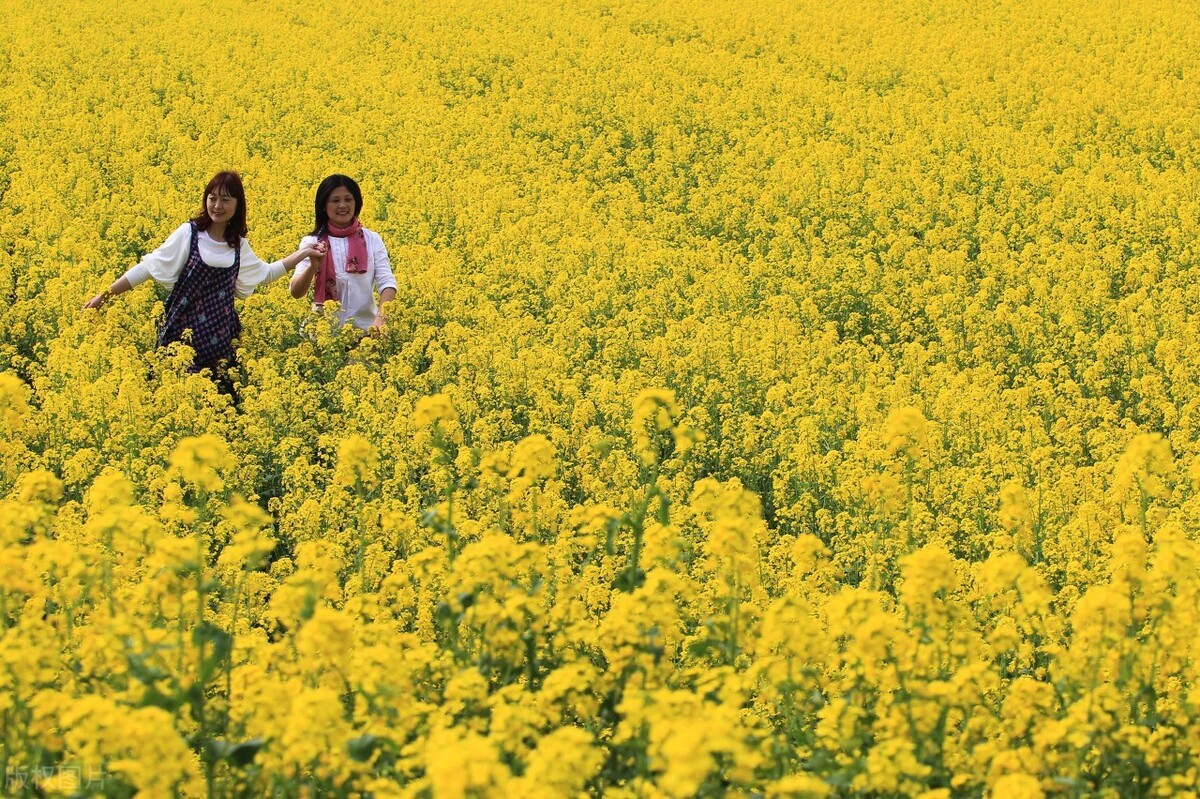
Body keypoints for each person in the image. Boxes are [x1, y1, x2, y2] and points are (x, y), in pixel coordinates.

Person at [83, 171, 322, 373]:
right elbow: (147, 268)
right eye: (212, 198)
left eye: (226, 199)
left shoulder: (238, 245)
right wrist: (104, 296)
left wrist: (303, 254)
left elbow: (266, 273)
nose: (217, 206)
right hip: (179, 334)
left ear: (238, 204)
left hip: (219, 339)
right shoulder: (189, 234)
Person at [289, 174, 398, 331]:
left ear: (357, 203)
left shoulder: (372, 239)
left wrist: (380, 319)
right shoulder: (312, 243)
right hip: (323, 334)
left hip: (366, 332)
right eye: (335, 201)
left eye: (348, 199)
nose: (342, 205)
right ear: (323, 206)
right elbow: (296, 292)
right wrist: (313, 266)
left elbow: (387, 283)